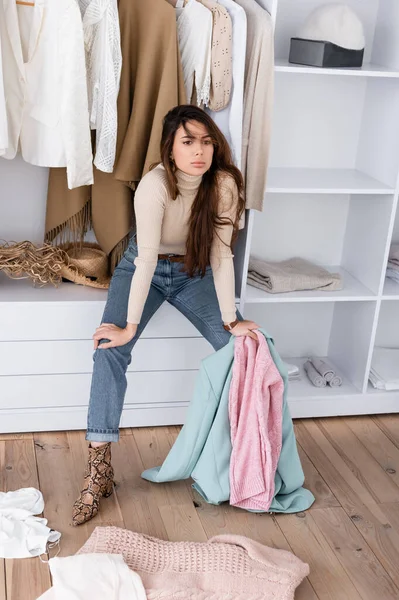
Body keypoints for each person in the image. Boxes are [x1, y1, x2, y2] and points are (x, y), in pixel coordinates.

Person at [72, 105, 259, 526]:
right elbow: (146, 260)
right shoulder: (155, 185)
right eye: (188, 142)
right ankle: (98, 465)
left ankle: (235, 459)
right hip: (146, 268)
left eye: (206, 141)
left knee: (242, 349)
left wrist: (232, 320)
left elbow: (220, 253)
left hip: (196, 272)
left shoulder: (224, 184)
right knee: (108, 347)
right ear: (170, 150)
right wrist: (128, 328)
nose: (199, 151)